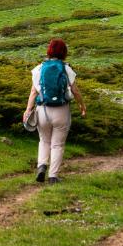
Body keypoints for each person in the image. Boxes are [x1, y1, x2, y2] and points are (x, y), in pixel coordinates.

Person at [23, 38, 85, 183]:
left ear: (49, 51)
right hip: (61, 111)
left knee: (44, 140)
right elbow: (75, 91)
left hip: (42, 110)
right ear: (64, 52)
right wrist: (82, 105)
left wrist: (27, 110)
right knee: (57, 144)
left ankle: (41, 166)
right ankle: (53, 176)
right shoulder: (66, 68)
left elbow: (33, 92)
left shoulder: (39, 68)